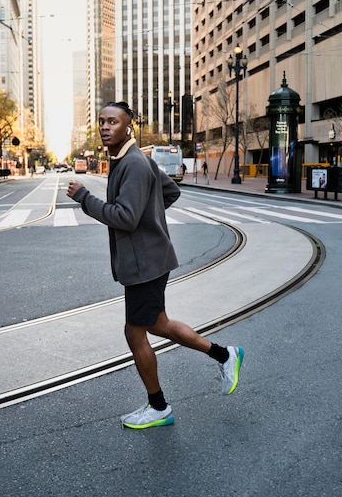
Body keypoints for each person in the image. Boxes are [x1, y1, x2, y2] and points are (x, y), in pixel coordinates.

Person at [67, 101, 243, 430]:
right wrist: (150, 217)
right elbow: (170, 192)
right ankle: (224, 355)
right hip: (149, 259)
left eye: (113, 122)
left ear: (128, 127)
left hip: (144, 263)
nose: (105, 127)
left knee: (135, 332)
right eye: (102, 121)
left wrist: (84, 198)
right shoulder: (133, 160)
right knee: (158, 324)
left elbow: (125, 217)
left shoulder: (132, 163)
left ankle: (158, 406)